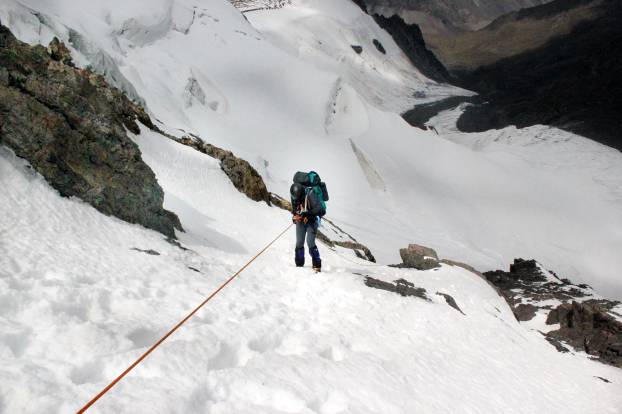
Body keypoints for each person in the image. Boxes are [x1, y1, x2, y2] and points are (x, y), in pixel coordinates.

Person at [290, 182, 324, 271]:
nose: (296, 200)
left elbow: (319, 208)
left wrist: (307, 214)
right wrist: (295, 218)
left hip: (312, 221)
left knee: (310, 242)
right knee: (299, 242)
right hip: (301, 221)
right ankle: (299, 264)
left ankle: (317, 265)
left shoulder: (311, 194)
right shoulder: (294, 196)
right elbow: (294, 210)